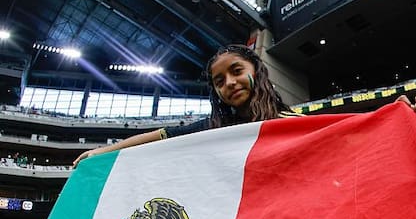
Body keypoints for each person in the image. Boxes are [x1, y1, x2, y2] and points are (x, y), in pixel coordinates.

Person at [73, 45, 301, 167]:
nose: (230, 83)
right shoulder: (214, 127)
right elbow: (159, 136)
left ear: (256, 71)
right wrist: (101, 152)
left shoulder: (292, 123)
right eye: (219, 82)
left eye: (237, 71)